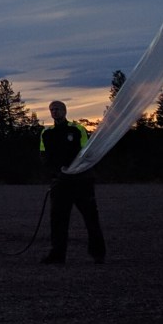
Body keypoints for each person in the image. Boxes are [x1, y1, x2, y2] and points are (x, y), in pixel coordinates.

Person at [40, 100, 105, 264]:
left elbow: (87, 153)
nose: (54, 112)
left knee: (91, 218)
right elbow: (44, 157)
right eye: (52, 109)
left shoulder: (77, 130)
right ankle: (57, 255)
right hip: (60, 183)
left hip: (81, 182)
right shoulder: (46, 133)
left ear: (65, 111)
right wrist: (56, 173)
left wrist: (77, 171)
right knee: (58, 220)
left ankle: (98, 254)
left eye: (57, 109)